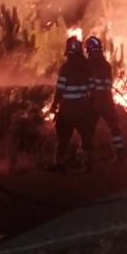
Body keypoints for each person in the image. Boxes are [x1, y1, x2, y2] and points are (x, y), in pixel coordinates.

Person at [48, 35, 96, 170]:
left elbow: (60, 89)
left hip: (67, 110)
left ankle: (60, 165)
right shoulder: (87, 67)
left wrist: (53, 105)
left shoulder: (65, 68)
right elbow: (92, 88)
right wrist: (91, 105)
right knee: (86, 138)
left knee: (63, 139)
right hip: (83, 109)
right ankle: (88, 164)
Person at [85, 35, 125, 161]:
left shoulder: (87, 65)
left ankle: (87, 160)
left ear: (89, 50)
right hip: (107, 102)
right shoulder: (106, 65)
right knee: (114, 128)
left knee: (87, 131)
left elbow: (85, 84)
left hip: (93, 103)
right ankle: (120, 155)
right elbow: (108, 83)